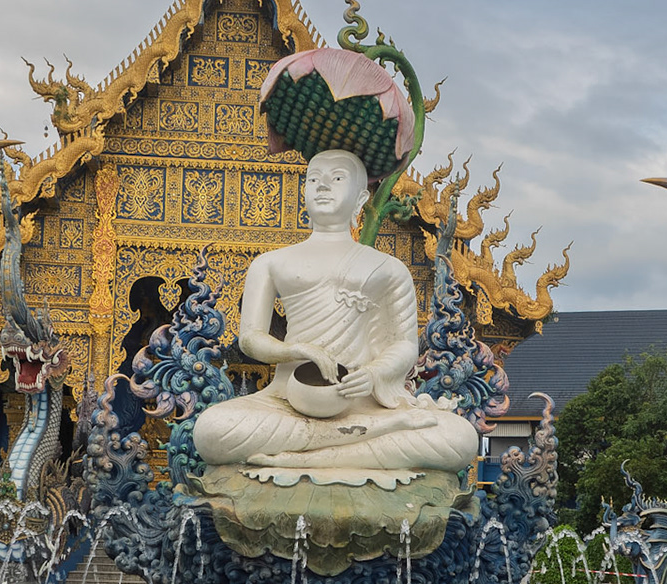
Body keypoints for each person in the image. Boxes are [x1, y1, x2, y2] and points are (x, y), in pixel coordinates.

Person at [192, 149, 478, 480]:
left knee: (459, 439)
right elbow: (251, 339)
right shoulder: (271, 263)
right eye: (314, 179)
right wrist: (294, 350)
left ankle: (304, 457)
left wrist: (372, 373)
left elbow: (403, 346)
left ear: (359, 200)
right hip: (289, 401)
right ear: (304, 193)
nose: (323, 186)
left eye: (337, 178)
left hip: (361, 404)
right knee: (212, 431)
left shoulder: (389, 269)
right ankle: (360, 444)